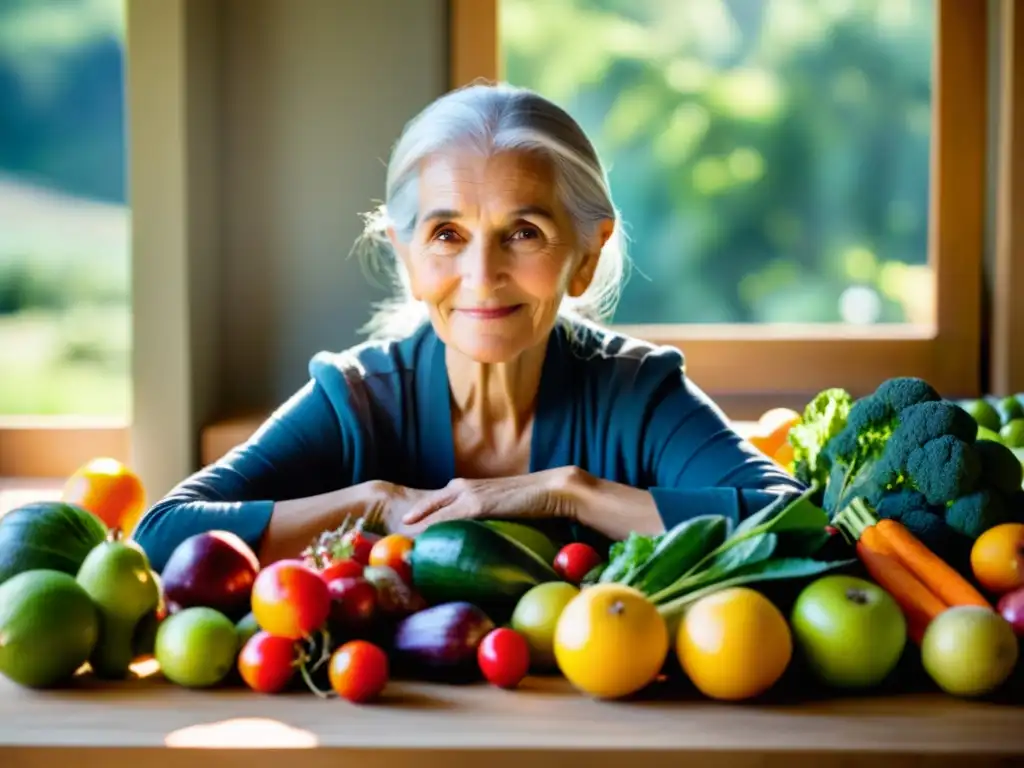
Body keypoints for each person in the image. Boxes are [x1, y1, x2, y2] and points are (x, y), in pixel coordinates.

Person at [132, 83, 804, 573]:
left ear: (586, 257)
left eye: (523, 232)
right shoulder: (356, 399)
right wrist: (372, 503)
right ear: (407, 257)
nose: (483, 273)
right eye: (448, 233)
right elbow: (161, 537)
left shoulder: (638, 394)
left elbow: (804, 525)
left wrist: (565, 492)